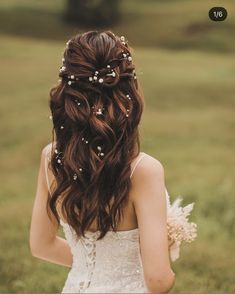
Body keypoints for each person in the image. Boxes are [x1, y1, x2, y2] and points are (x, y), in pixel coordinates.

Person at [29, 30, 175, 293]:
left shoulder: (50, 157)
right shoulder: (143, 171)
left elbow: (41, 245)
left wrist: (95, 268)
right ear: (129, 93)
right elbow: (158, 280)